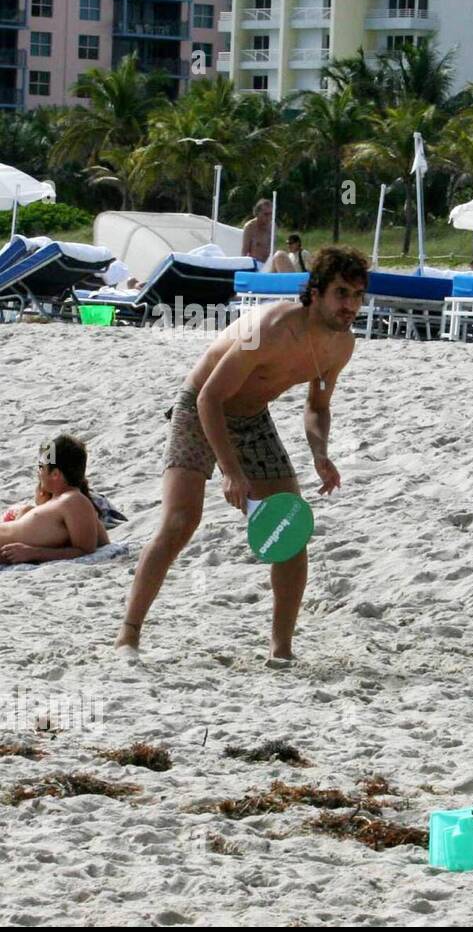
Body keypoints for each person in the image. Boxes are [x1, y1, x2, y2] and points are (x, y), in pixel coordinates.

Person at [116, 246, 369, 663]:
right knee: (181, 521)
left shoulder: (341, 347)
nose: (350, 306)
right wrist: (231, 472)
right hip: (200, 408)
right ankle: (128, 635)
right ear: (317, 292)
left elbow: (318, 406)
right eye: (342, 293)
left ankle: (281, 650)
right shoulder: (270, 327)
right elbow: (209, 397)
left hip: (251, 417)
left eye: (358, 296)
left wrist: (320, 452)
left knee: (290, 527)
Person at [0, 436, 109, 565]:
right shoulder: (61, 502)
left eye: (41, 468)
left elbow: (85, 549)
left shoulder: (74, 500)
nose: (38, 473)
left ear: (55, 474)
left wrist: (33, 552)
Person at [241, 198, 274, 268]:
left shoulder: (273, 227)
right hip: (256, 265)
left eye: (271, 214)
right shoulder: (250, 227)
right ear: (257, 213)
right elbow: (244, 252)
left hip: (270, 265)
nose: (269, 217)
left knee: (280, 256)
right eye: (266, 214)